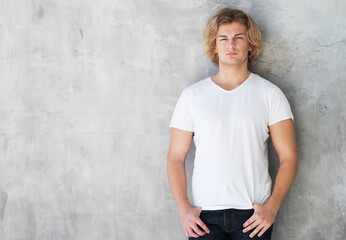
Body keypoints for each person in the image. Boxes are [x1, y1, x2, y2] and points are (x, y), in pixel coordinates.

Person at [166, 8, 298, 240]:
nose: (231, 45)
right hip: (204, 218)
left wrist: (272, 208)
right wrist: (184, 209)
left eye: (239, 37)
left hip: (254, 217)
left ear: (250, 45)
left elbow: (289, 157)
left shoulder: (270, 94)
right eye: (223, 38)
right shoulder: (192, 96)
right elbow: (175, 157)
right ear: (214, 46)